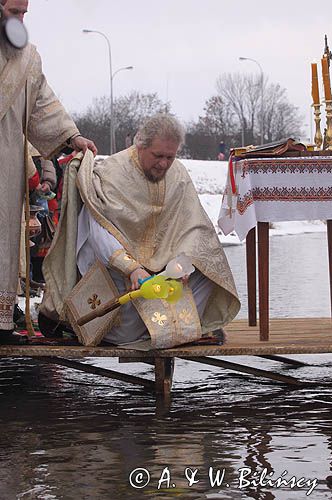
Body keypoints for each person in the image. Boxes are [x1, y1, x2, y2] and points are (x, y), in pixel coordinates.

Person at [40, 114, 240, 349]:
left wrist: (183, 262)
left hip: (165, 267)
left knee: (210, 263)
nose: (164, 164)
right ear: (140, 145)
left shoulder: (178, 175)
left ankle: (174, 327)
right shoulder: (111, 173)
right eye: (158, 156)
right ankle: (118, 327)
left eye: (170, 157)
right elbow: (98, 230)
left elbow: (194, 227)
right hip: (119, 266)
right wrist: (132, 268)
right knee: (122, 331)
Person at [0, 0, 97, 345]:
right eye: (15, 11)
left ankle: (2, 321)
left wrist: (71, 136)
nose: (21, 20)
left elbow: (42, 103)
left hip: (6, 163)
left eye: (25, 13)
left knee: (3, 239)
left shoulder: (27, 58)